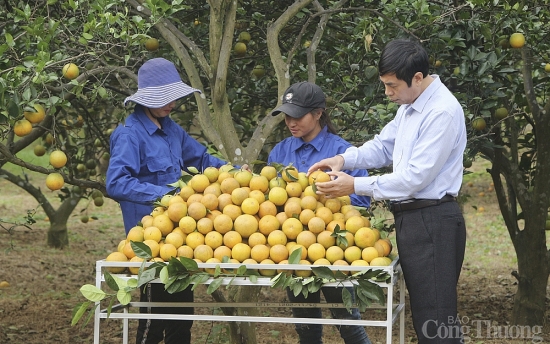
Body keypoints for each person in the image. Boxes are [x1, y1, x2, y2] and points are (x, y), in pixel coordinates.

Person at [309, 39, 467, 343]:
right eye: (384, 84)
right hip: (416, 220)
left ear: (417, 78)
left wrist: (354, 184)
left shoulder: (441, 112)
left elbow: (414, 179)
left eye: (392, 85)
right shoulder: (411, 107)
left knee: (436, 319)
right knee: (428, 316)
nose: (387, 92)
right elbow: (383, 146)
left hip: (432, 220)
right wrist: (343, 158)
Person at [106, 58, 229, 344]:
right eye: (164, 98)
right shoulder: (129, 134)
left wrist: (231, 172)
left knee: (181, 318)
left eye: (173, 98)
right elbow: (116, 182)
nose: (171, 104)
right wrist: (165, 196)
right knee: (152, 320)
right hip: (149, 242)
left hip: (181, 238)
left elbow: (200, 159)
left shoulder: (171, 128)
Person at [268, 81, 372, 344]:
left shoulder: (342, 152)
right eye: (287, 116)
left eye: (298, 115)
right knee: (306, 324)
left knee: (347, 322)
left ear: (318, 113)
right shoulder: (281, 152)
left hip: (334, 251)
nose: (291, 122)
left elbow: (362, 199)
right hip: (293, 250)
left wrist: (329, 198)